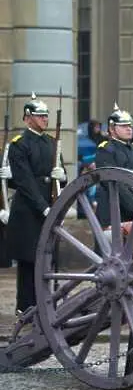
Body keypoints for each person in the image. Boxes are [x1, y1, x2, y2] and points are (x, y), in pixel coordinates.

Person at [4, 94, 66, 313]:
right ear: (27, 118)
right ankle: (26, 306)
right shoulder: (19, 145)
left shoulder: (51, 142)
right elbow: (25, 181)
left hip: (49, 204)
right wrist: (43, 207)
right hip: (29, 210)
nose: (44, 119)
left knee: (47, 259)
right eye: (40, 116)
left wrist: (62, 175)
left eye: (46, 116)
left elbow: (61, 176)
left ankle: (44, 304)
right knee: (29, 261)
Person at [95, 103, 133, 227]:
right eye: (124, 126)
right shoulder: (105, 149)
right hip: (113, 208)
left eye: (129, 125)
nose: (129, 129)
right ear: (112, 129)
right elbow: (112, 181)